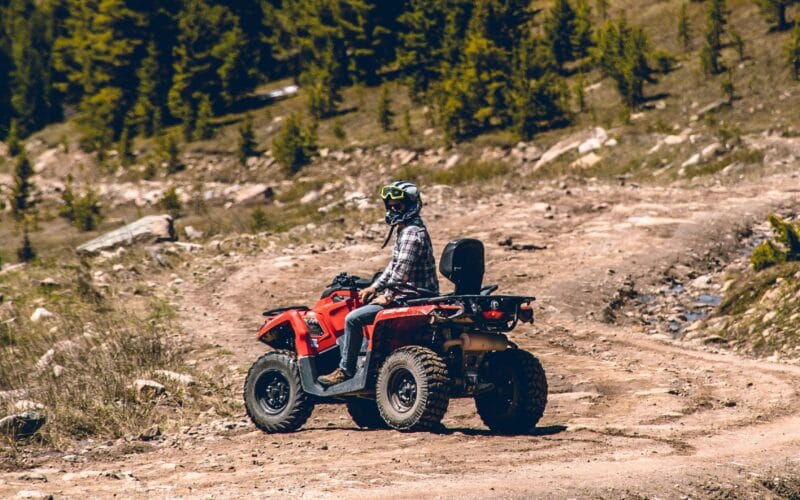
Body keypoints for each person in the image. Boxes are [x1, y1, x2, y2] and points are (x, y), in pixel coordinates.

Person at [317, 180, 439, 386]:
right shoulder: (407, 229)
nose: (393, 208)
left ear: (410, 205)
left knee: (353, 319)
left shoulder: (411, 233)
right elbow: (393, 267)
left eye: (398, 205)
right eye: (390, 205)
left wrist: (388, 296)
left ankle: (345, 370)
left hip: (410, 297)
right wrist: (374, 287)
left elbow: (401, 272)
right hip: (410, 294)